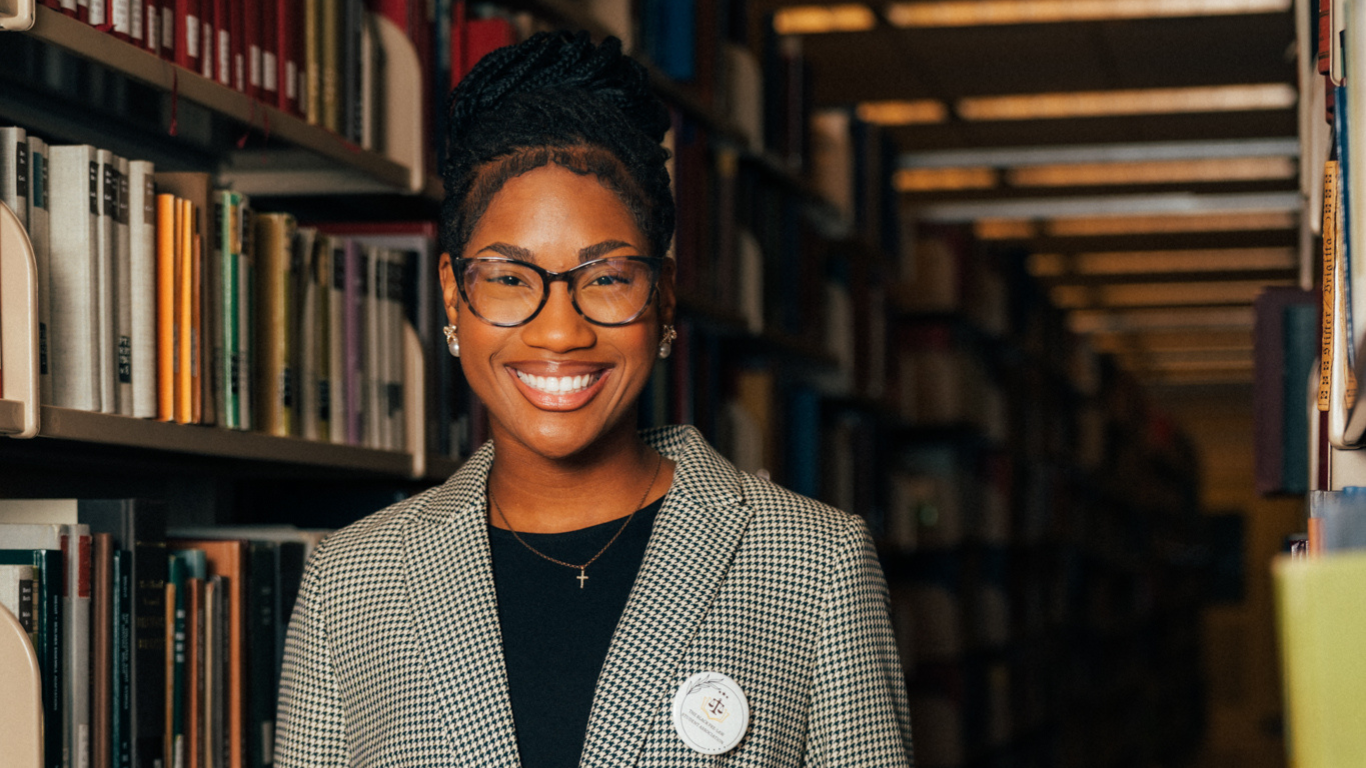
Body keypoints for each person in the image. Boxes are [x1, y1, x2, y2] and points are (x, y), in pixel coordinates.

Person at [273, 31, 913, 768]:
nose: (559, 329)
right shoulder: (350, 581)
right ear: (454, 297)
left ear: (664, 299)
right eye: (510, 278)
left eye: (606, 279)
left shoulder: (814, 562)